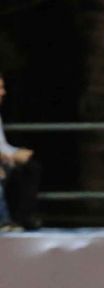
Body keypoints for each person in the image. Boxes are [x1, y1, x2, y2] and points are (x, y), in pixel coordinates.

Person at [0, 72, 41, 231]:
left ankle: (23, 218)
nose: (4, 92)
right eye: (0, 88)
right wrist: (9, 156)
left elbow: (2, 145)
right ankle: (3, 222)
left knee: (31, 166)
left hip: (4, 158)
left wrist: (16, 152)